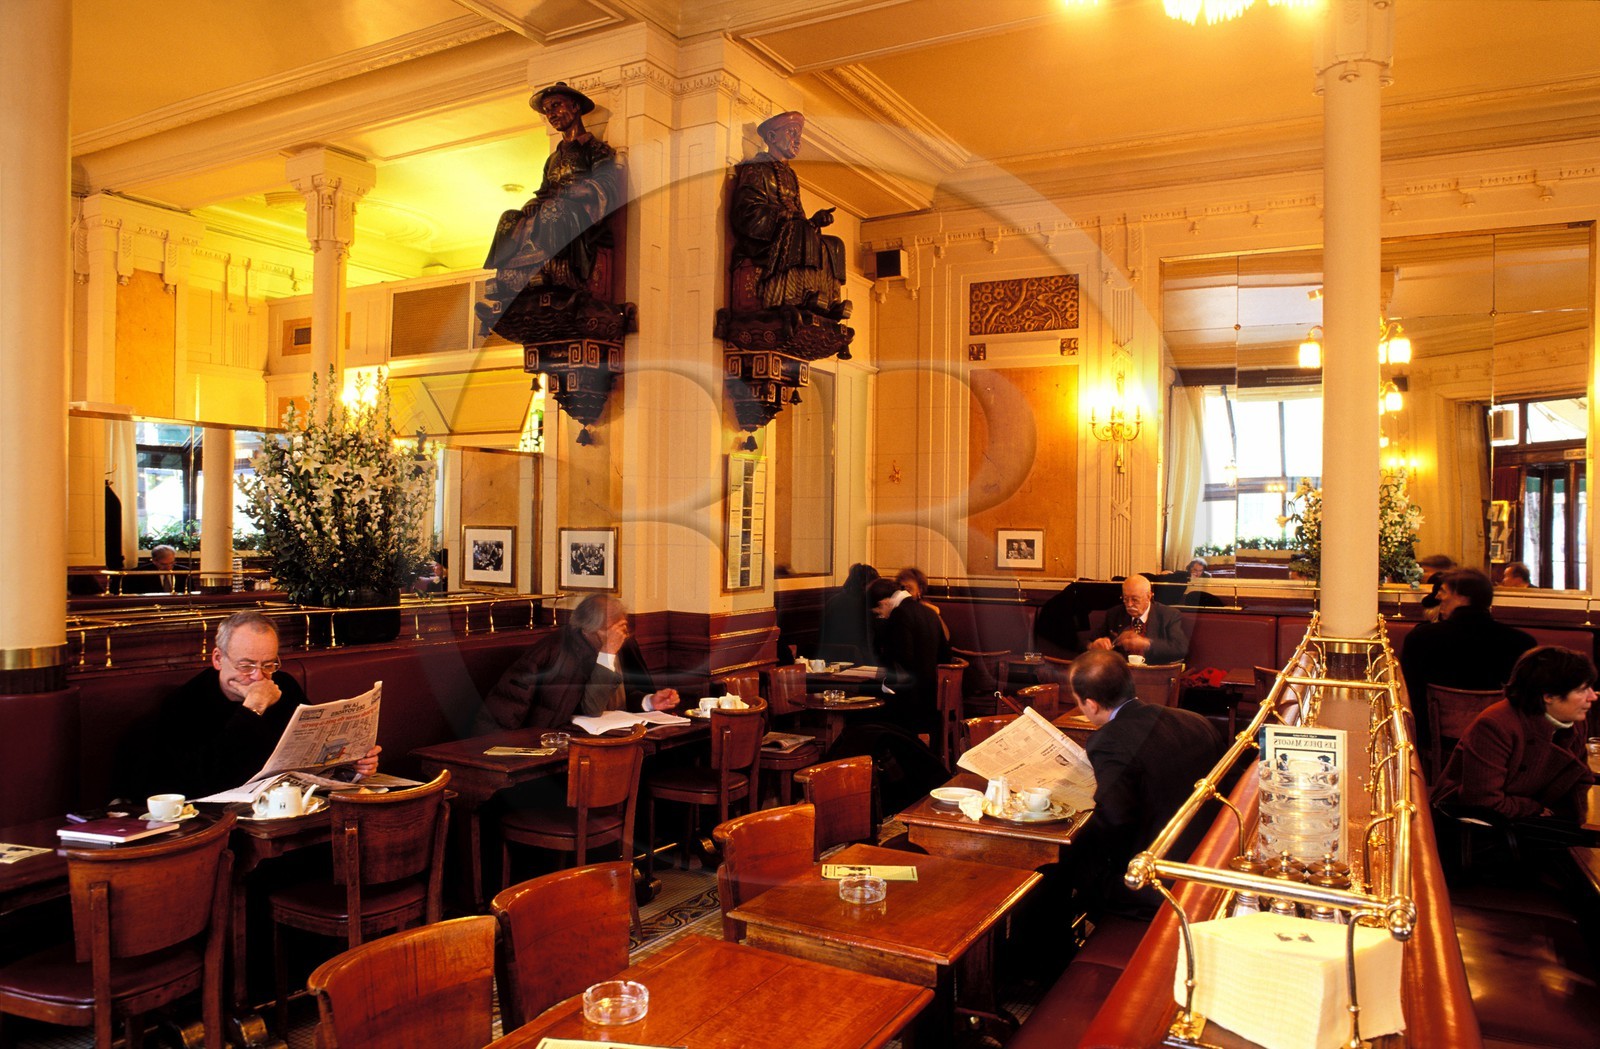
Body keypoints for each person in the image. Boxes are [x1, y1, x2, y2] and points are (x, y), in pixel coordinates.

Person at [137, 611, 381, 799]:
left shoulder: (283, 684)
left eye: (268, 665)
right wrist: (251, 710)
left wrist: (353, 763)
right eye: (246, 666)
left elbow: (315, 752)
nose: (258, 677)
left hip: (287, 806)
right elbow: (202, 781)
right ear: (218, 659)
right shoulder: (184, 704)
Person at [1070, 650, 1225, 915]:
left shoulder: (1109, 740)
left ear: (1091, 705)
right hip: (1210, 862)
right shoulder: (1195, 720)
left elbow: (1116, 821)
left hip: (1158, 882)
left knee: (1059, 870)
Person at [477, 81, 623, 333]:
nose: (551, 114)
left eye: (556, 106)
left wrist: (568, 192)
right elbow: (543, 190)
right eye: (547, 111)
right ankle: (509, 279)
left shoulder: (595, 150)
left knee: (555, 211)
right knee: (510, 218)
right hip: (551, 209)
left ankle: (556, 274)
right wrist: (534, 204)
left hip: (580, 218)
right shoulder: (553, 159)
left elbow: (607, 185)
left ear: (575, 107)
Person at [1432, 645, 1594, 824]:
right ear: (1548, 696)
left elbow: (1580, 779)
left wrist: (1579, 822)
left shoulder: (1575, 722)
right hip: (1479, 828)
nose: (1592, 697)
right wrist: (1534, 808)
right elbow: (1482, 803)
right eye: (1581, 690)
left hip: (1535, 822)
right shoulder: (1495, 725)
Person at [474, 594, 680, 733]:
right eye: (612, 628)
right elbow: (591, 708)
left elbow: (616, 700)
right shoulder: (555, 651)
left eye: (623, 627)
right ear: (588, 630)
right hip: (556, 741)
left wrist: (649, 701)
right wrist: (607, 652)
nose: (621, 635)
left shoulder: (623, 645)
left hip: (611, 738)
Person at [729, 111, 850, 319]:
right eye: (791, 133)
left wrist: (814, 221)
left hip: (790, 234)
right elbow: (745, 211)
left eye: (799, 135)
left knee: (834, 244)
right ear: (772, 137)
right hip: (763, 240)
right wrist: (783, 216)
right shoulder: (757, 168)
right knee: (799, 230)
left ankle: (830, 300)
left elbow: (799, 216)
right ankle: (796, 296)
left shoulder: (790, 174)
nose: (797, 140)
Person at [1400, 567, 1535, 744]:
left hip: (1435, 742)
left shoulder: (1420, 639)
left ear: (1463, 597)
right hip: (1501, 742)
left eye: (1443, 591)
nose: (1439, 597)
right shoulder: (1522, 643)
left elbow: (1410, 697)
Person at [866, 576, 950, 739]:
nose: (881, 617)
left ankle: (877, 759)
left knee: (868, 706)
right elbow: (945, 655)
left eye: (879, 613)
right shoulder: (929, 612)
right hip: (931, 698)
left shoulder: (899, 614)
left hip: (910, 701)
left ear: (884, 603)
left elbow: (902, 659)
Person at [1088, 575, 1189, 664]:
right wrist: (1093, 646)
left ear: (1148, 596)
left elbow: (1180, 648)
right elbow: (1086, 642)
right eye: (1125, 599)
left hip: (1155, 674)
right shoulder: (1115, 614)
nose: (1129, 604)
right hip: (1120, 675)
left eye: (1135, 600)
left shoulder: (1168, 615)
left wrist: (1147, 644)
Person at [817, 563, 879, 664]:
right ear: (864, 584)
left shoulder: (833, 600)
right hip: (859, 659)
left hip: (829, 657)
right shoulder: (865, 604)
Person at [895, 566, 949, 643]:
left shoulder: (927, 610)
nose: (904, 593)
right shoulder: (895, 608)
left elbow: (945, 637)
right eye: (902, 589)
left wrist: (936, 614)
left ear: (920, 590)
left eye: (909, 589)